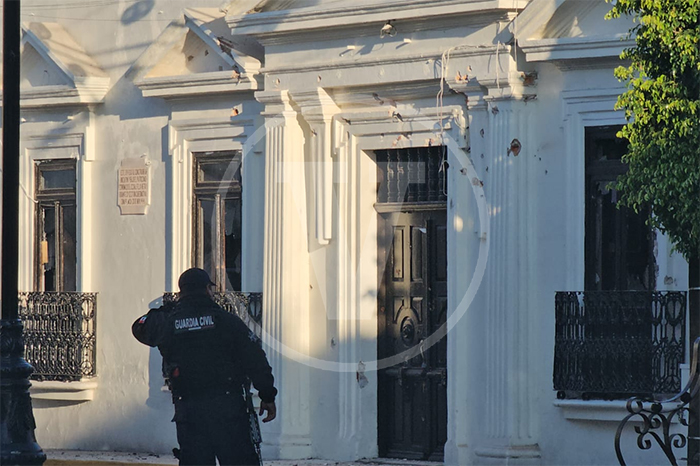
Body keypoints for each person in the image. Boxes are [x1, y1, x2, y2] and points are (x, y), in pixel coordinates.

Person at [132, 268, 277, 466]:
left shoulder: (170, 322)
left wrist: (167, 311)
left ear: (181, 292)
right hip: (228, 410)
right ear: (208, 289)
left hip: (189, 412)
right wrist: (267, 395)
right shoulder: (226, 321)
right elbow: (255, 358)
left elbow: (140, 327)